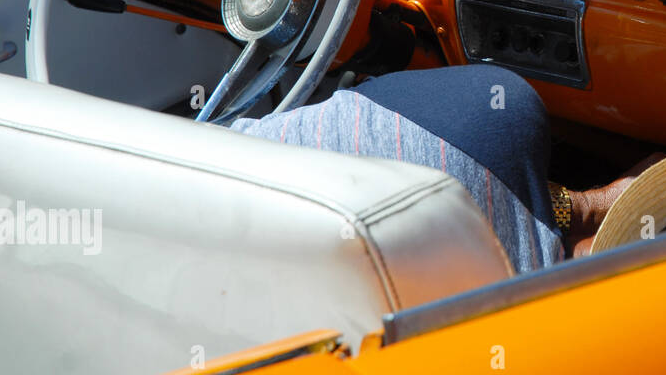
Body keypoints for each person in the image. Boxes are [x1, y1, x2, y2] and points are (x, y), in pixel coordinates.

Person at [229, 64, 632, 273]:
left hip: (448, 154)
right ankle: (589, 222)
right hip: (427, 126)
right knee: (551, 258)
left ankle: (584, 218)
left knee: (559, 255)